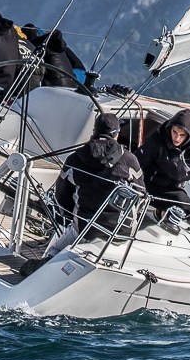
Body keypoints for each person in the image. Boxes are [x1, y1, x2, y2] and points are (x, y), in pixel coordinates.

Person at [21, 113, 144, 276]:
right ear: (116, 134)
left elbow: (61, 198)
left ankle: (45, 271)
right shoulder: (130, 160)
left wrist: (68, 216)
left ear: (94, 132)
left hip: (86, 232)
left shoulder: (75, 159)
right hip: (122, 235)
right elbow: (141, 195)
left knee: (55, 249)